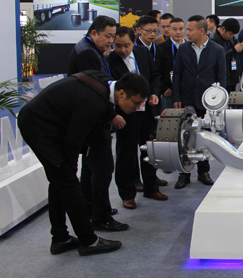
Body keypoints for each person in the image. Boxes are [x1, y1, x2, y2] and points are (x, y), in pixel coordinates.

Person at [18, 71, 150, 256]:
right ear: (121, 93)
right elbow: (73, 140)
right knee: (68, 183)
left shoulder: (106, 86)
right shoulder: (93, 103)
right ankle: (88, 241)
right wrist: (70, 170)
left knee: (59, 183)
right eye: (136, 103)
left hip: (53, 125)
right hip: (38, 126)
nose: (137, 107)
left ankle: (60, 239)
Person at [68, 16, 128, 232]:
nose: (111, 41)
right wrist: (112, 115)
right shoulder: (87, 53)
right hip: (93, 118)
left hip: (90, 117)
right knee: (102, 168)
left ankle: (92, 209)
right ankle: (101, 217)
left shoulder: (90, 49)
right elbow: (95, 88)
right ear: (94, 33)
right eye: (108, 36)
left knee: (91, 167)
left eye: (113, 36)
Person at [108, 27, 166, 209]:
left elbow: (155, 76)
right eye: (118, 46)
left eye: (126, 45)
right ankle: (127, 194)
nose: (122, 50)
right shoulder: (109, 60)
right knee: (126, 154)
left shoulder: (143, 52)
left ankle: (151, 187)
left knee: (150, 150)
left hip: (147, 110)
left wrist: (154, 93)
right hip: (126, 113)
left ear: (134, 42)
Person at [172, 15, 227, 189]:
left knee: (205, 136)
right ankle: (184, 173)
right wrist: (176, 98)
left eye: (189, 30)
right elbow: (177, 74)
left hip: (207, 101)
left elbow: (221, 77)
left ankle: (204, 171)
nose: (186, 33)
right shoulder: (183, 49)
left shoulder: (217, 50)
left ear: (201, 31)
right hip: (187, 99)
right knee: (184, 137)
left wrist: (218, 101)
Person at [212, 18, 243, 91]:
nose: (231, 36)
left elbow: (236, 42)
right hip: (222, 78)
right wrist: (234, 50)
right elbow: (219, 58)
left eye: (233, 34)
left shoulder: (229, 37)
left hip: (232, 76)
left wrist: (241, 45)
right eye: (230, 34)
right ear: (223, 29)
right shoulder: (214, 40)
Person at [158, 17, 185, 112]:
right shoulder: (161, 48)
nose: (178, 32)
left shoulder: (190, 46)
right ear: (169, 30)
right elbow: (156, 71)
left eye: (180, 29)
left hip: (186, 91)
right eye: (174, 29)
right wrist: (163, 88)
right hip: (169, 91)